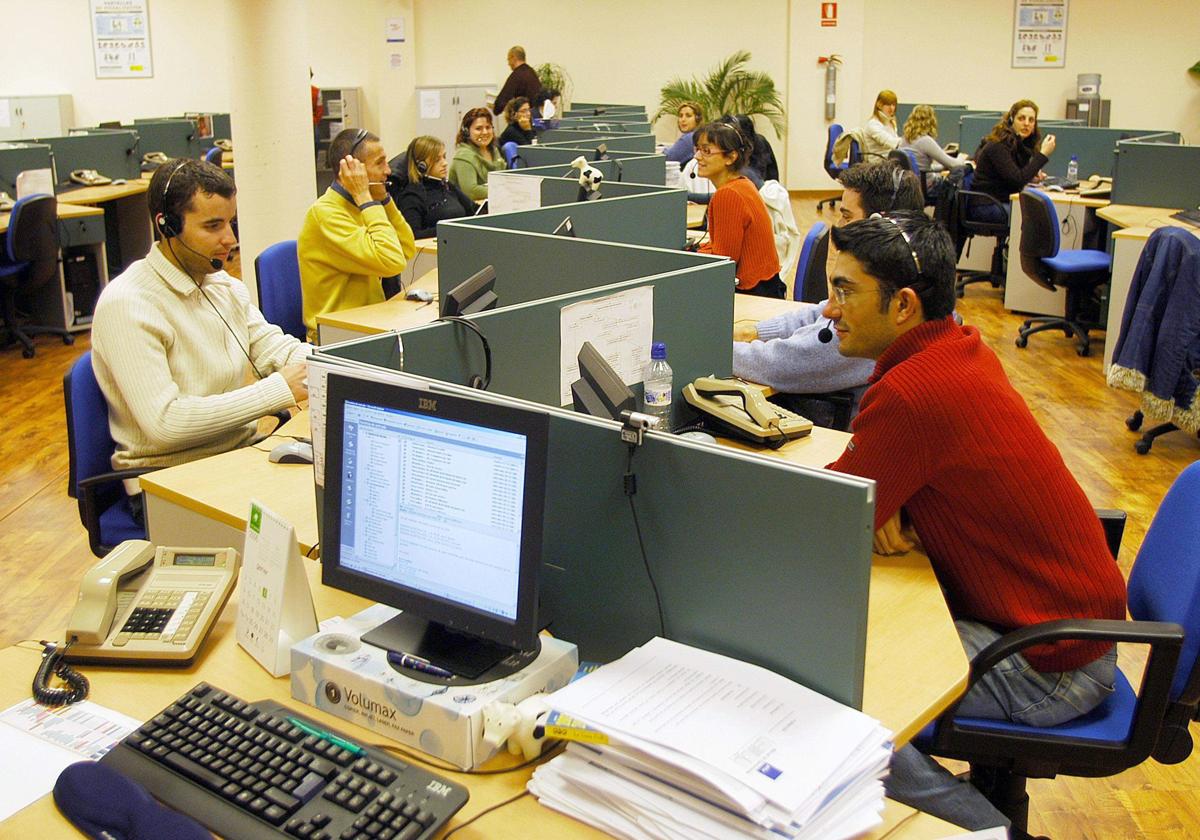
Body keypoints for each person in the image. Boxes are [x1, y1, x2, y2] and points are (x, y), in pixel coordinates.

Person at [821, 213, 1126, 835]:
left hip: (1048, 665)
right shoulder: (957, 349)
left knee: (833, 695)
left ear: (903, 305)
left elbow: (824, 523)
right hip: (1061, 630)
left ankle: (991, 833)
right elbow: (862, 499)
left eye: (844, 290)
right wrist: (895, 501)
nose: (829, 309)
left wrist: (883, 504)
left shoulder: (915, 392)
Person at [91, 158, 309, 522]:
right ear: (167, 226)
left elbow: (275, 349)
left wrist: (339, 361)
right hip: (168, 483)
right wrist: (277, 389)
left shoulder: (221, 286)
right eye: (213, 226)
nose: (231, 240)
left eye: (231, 223)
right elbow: (166, 424)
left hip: (236, 457)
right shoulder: (128, 304)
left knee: (329, 499)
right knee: (305, 524)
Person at [733, 160, 923, 425]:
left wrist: (711, 350)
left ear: (878, 224)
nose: (839, 226)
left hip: (817, 426)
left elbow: (782, 365)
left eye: (846, 215)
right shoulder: (894, 273)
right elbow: (820, 310)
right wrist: (757, 332)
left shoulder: (879, 306)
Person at [298, 128, 416, 342]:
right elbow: (392, 261)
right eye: (380, 163)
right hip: (338, 336)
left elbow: (407, 249)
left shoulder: (363, 206)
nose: (388, 170)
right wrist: (365, 196)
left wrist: (384, 200)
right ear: (351, 169)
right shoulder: (326, 214)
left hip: (368, 323)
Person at [693, 121, 783, 298]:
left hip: (753, 294)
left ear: (730, 157)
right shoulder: (743, 183)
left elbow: (723, 261)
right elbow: (725, 245)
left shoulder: (728, 195)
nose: (697, 156)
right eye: (697, 149)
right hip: (768, 286)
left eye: (706, 151)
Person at [970, 99, 1056, 223]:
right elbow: (1017, 180)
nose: (1026, 123)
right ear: (1011, 120)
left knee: (1037, 214)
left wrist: (1031, 176)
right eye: (1021, 118)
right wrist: (1042, 155)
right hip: (986, 205)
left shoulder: (1020, 145)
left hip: (1001, 200)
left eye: (1031, 120)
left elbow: (1014, 175)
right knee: (1033, 218)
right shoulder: (999, 144)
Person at [396, 135, 475, 239]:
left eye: (444, 157)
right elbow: (414, 234)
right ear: (421, 165)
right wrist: (450, 229)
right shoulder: (412, 195)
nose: (445, 163)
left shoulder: (446, 186)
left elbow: (473, 210)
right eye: (437, 160)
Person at [899, 104, 967, 197]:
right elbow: (954, 164)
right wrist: (961, 158)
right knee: (959, 171)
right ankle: (952, 209)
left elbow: (920, 168)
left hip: (912, 185)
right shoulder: (925, 140)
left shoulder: (904, 139)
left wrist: (942, 167)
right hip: (928, 187)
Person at [449, 108, 505, 202]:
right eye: (478, 129)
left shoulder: (494, 151)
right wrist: (504, 191)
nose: (485, 132)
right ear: (467, 131)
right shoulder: (463, 156)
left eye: (488, 127)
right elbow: (471, 191)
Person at [493, 46, 541, 117]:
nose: (508, 63)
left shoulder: (517, 76)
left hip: (526, 119)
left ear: (513, 57)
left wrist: (496, 109)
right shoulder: (531, 73)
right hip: (537, 117)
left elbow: (502, 100)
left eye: (508, 59)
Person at [862, 89, 901, 159]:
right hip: (878, 165)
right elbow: (892, 143)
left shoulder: (891, 122)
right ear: (879, 105)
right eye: (888, 104)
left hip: (889, 161)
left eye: (893, 105)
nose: (892, 108)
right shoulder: (873, 125)